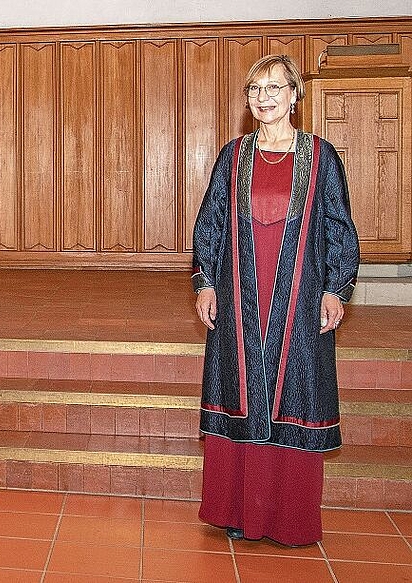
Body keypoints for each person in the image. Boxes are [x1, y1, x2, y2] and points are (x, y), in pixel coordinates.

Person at [191, 54, 359, 546]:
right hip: (240, 298)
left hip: (300, 301)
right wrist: (205, 283)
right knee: (239, 392)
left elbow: (339, 228)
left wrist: (336, 287)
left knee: (294, 395)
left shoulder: (321, 156)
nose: (262, 98)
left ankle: (289, 521)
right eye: (254, 90)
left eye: (273, 88)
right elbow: (210, 224)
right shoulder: (234, 156)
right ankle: (236, 512)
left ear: (294, 96)